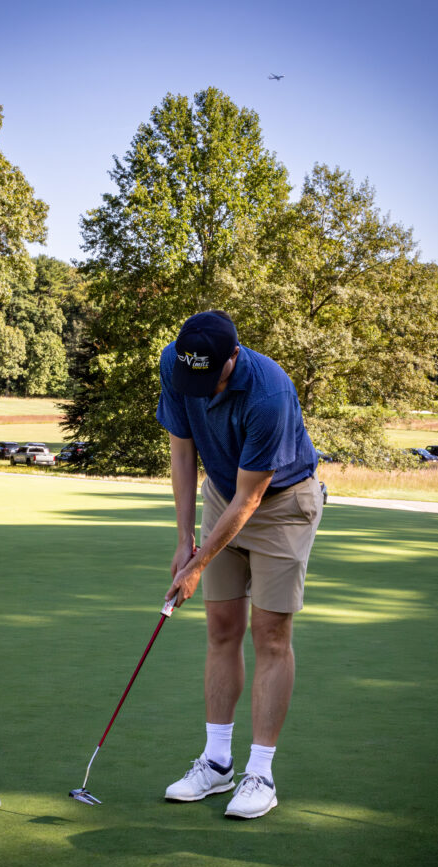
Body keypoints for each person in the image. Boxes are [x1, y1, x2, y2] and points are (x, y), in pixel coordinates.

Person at [155, 310, 323, 819]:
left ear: (233, 356)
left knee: (270, 634)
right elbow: (183, 456)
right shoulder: (178, 365)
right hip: (221, 494)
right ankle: (216, 763)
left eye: (212, 378)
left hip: (282, 504)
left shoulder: (269, 391)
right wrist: (184, 541)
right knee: (222, 627)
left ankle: (261, 774)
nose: (200, 390)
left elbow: (252, 499)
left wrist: (199, 563)